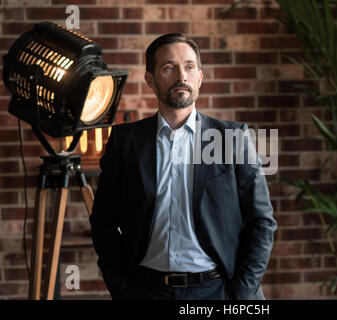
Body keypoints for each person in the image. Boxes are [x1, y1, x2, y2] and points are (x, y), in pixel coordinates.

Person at [89, 33, 277, 300]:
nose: (181, 76)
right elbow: (103, 222)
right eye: (169, 67)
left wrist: (241, 292)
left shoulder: (231, 139)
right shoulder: (125, 142)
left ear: (200, 77)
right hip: (146, 290)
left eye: (189, 67)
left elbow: (262, 222)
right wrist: (122, 288)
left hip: (217, 290)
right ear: (150, 80)